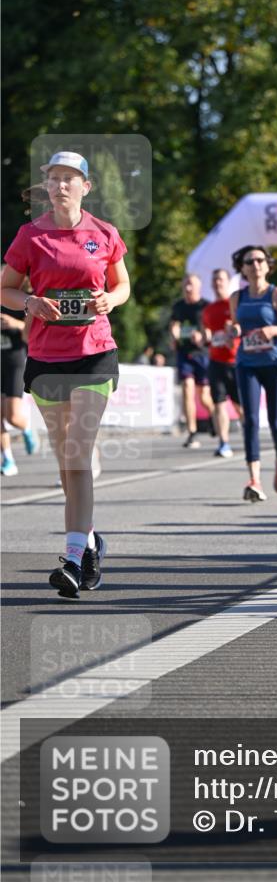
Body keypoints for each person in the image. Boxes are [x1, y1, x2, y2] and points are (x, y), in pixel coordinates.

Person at [0, 150, 130, 597]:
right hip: (46, 358)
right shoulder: (31, 236)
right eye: (53, 179)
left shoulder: (104, 234)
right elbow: (5, 288)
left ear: (85, 186)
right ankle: (91, 543)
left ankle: (73, 558)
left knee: (77, 456)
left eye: (69, 179)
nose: (59, 186)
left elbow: (122, 284)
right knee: (66, 464)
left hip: (94, 353)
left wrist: (111, 301)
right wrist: (30, 303)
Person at [228, 246, 277, 501]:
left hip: (275, 362)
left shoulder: (276, 294)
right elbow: (235, 324)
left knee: (275, 420)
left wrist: (274, 330)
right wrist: (233, 329)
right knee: (251, 420)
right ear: (242, 268)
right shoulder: (237, 297)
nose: (255, 264)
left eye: (259, 260)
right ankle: (254, 479)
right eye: (249, 261)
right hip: (246, 362)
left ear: (268, 265)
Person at [169, 273, 214, 449]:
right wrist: (173, 334)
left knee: (204, 397)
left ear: (199, 287)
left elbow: (211, 331)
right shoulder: (178, 306)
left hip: (202, 354)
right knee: (187, 389)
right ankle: (191, 433)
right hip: (184, 353)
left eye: (191, 285)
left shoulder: (205, 306)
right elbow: (174, 325)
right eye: (186, 284)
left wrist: (202, 336)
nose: (188, 288)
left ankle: (213, 416)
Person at [202, 268, 242, 458]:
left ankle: (252, 436)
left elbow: (242, 328)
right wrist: (203, 338)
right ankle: (223, 442)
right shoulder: (208, 310)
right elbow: (207, 335)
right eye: (215, 280)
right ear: (212, 284)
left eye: (221, 280)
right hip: (215, 361)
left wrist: (233, 331)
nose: (218, 283)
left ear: (227, 282)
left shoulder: (233, 304)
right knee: (218, 403)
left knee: (239, 405)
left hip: (235, 361)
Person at [1, 285, 40, 476]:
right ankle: (8, 459)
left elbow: (32, 329)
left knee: (12, 417)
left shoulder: (21, 298)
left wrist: (13, 324)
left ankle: (26, 428)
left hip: (14, 360)